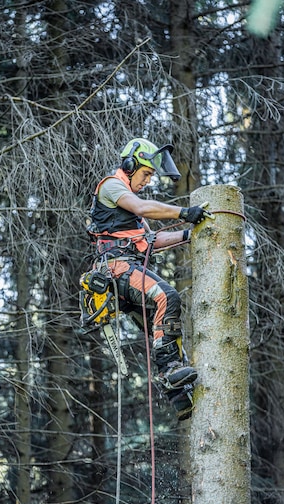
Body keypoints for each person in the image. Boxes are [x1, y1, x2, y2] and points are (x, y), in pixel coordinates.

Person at [85, 138, 210, 420]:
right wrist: (183, 213)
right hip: (116, 269)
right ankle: (169, 371)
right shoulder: (112, 186)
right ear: (130, 166)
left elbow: (150, 240)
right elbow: (142, 207)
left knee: (164, 330)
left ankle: (179, 395)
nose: (147, 180)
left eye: (152, 176)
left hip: (128, 270)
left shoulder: (134, 220)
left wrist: (189, 234)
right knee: (167, 296)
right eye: (146, 174)